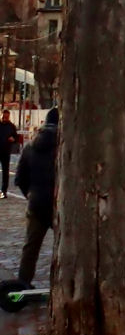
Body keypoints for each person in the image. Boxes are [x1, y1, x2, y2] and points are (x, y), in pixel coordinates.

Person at [14, 110, 57, 288]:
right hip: (59, 204)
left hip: (36, 202)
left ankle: (23, 283)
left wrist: (31, 194)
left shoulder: (30, 146)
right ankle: (66, 283)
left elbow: (20, 179)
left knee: (30, 247)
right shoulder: (67, 146)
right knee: (69, 246)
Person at [0, 109, 18, 199]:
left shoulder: (11, 126)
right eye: (3, 117)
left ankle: (4, 191)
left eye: (6, 117)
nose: (4, 119)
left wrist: (13, 139)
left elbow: (16, 137)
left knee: (5, 172)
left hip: (6, 151)